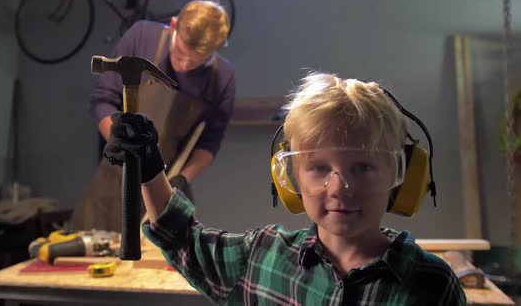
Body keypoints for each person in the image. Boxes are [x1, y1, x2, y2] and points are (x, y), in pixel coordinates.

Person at [104, 72, 467, 305]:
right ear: (289, 177)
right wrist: (148, 164)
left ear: (402, 175)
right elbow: (180, 237)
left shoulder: (432, 285)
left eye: (364, 167)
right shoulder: (262, 258)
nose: (339, 187)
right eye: (320, 168)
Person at [70, 0, 235, 231]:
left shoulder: (222, 78)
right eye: (180, 54)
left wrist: (184, 177)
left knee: (164, 255)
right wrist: (120, 141)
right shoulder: (141, 38)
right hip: (117, 173)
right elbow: (102, 100)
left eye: (196, 62)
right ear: (173, 24)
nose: (185, 66)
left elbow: (210, 142)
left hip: (166, 181)